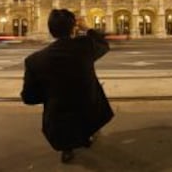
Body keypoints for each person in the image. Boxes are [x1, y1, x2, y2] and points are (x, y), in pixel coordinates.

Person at [20, 9, 114, 163]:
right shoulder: (85, 47)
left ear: (50, 31)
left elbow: (28, 97)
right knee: (87, 102)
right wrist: (87, 28)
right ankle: (85, 136)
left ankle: (67, 148)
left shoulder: (33, 60)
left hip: (57, 118)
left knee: (62, 116)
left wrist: (50, 97)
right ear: (73, 28)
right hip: (90, 110)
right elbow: (103, 44)